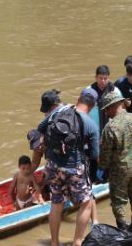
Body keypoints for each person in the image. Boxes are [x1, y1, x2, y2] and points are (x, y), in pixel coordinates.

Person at [46, 94, 100, 246]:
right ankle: (77, 241)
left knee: (56, 204)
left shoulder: (58, 112)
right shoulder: (90, 124)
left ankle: (55, 243)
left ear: (78, 102)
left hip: (53, 165)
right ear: (91, 107)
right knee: (86, 203)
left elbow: (41, 130)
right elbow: (95, 154)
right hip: (74, 168)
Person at [99, 92, 132, 235]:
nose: (105, 112)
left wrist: (101, 169)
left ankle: (122, 230)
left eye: (106, 109)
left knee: (118, 200)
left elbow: (105, 154)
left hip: (120, 170)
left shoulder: (110, 127)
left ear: (112, 107)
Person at [81, 65, 122, 183]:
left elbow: (120, 111)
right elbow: (84, 111)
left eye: (105, 78)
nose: (103, 81)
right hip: (94, 128)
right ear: (95, 77)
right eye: (100, 78)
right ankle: (94, 178)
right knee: (94, 154)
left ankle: (109, 177)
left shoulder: (115, 91)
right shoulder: (89, 91)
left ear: (109, 78)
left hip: (111, 127)